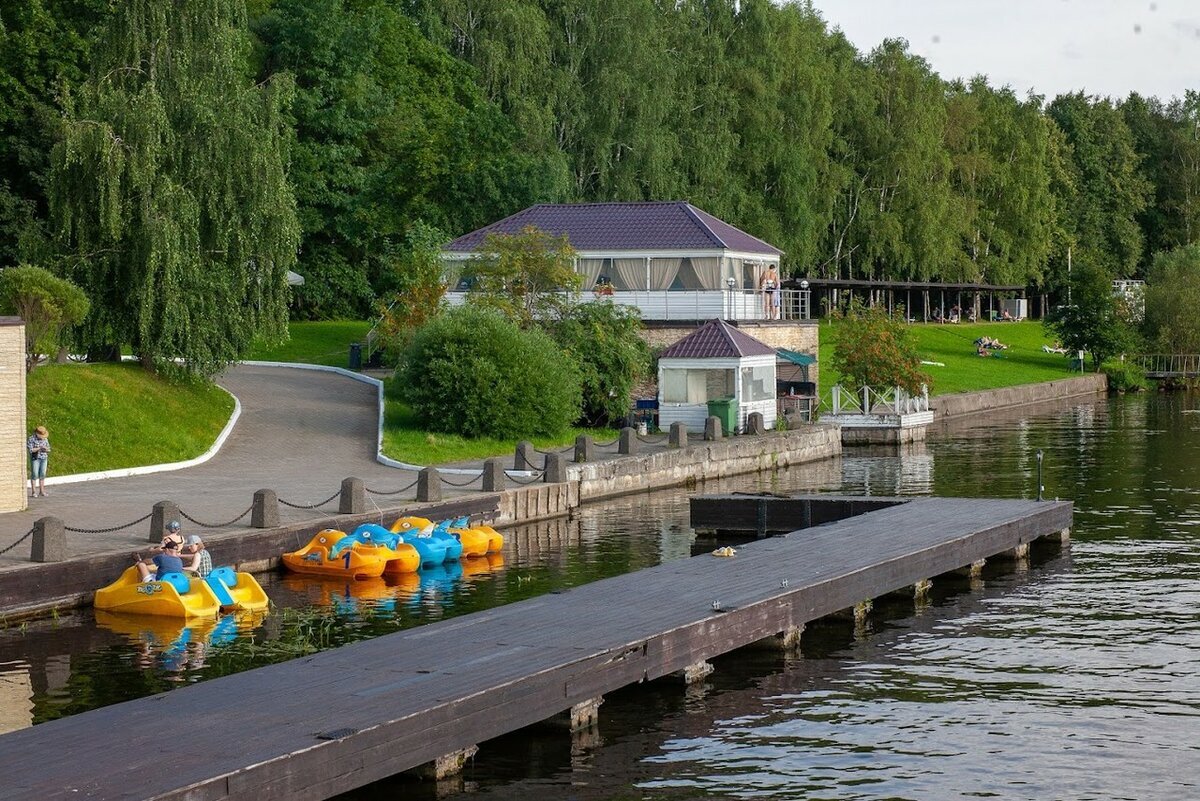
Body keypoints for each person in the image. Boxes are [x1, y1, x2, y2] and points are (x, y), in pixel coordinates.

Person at [26, 425, 50, 498]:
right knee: (35, 474)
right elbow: (30, 450)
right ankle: (33, 491)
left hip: (44, 458)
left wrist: (46, 449)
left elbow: (49, 449)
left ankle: (42, 491)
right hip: (36, 458)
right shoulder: (31, 439)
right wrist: (39, 448)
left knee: (42, 474)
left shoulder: (45, 439)